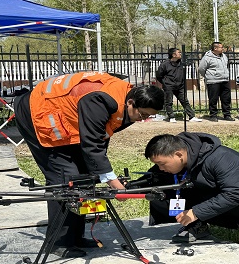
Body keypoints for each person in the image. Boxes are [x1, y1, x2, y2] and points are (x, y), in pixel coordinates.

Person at [14, 71, 164, 259]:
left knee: (84, 175)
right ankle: (59, 242)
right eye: (142, 115)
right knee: (64, 179)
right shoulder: (102, 100)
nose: (143, 120)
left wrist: (99, 170)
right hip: (38, 112)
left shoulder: (128, 104)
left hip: (65, 119)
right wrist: (113, 183)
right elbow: (92, 145)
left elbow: (100, 136)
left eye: (148, 117)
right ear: (131, 103)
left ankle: (75, 237)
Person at [142, 132, 239, 251]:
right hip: (214, 201)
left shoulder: (221, 157)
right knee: (160, 189)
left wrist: (196, 212)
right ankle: (197, 227)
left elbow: (235, 193)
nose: (160, 168)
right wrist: (126, 187)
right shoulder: (180, 159)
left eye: (161, 164)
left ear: (178, 154)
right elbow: (151, 179)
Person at [156, 48, 202, 123]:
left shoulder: (181, 63)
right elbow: (159, 75)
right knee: (169, 101)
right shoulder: (165, 64)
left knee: (184, 101)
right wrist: (165, 83)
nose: (180, 54)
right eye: (179, 52)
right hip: (169, 86)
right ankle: (171, 117)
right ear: (173, 55)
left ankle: (191, 116)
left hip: (180, 86)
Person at [198, 42, 235, 122]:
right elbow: (201, 69)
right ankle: (213, 115)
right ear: (215, 48)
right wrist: (209, 76)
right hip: (213, 81)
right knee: (213, 99)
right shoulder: (207, 57)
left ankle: (227, 115)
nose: (223, 49)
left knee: (226, 99)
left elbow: (226, 66)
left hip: (224, 80)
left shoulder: (224, 56)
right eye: (221, 47)